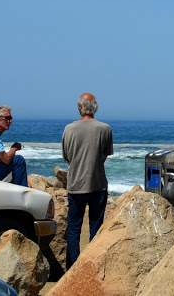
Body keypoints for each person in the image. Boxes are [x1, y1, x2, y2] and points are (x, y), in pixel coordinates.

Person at [61, 93, 113, 269]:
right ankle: (93, 266)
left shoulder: (69, 129)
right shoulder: (105, 128)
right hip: (97, 183)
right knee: (96, 228)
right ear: (95, 107)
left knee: (74, 228)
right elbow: (104, 155)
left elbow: (67, 157)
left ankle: (73, 268)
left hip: (75, 184)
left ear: (79, 107)